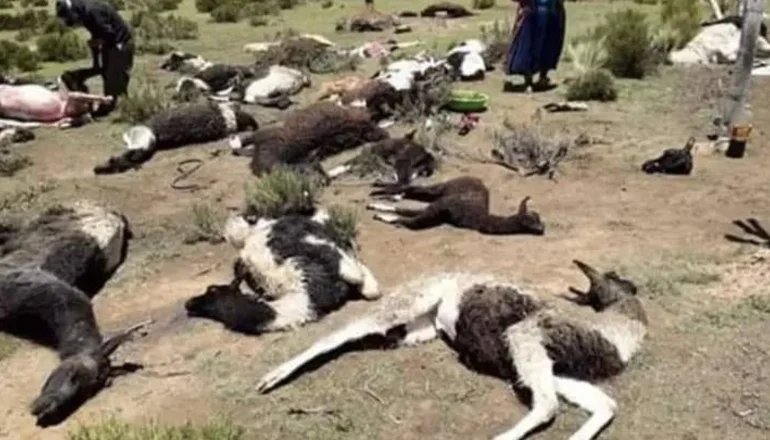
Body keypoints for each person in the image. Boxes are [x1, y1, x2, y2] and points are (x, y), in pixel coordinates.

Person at [54, 0, 134, 117]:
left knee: (114, 76)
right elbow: (98, 32)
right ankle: (117, 105)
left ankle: (113, 106)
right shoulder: (84, 11)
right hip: (111, 44)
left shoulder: (92, 11)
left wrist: (96, 43)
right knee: (109, 75)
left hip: (120, 43)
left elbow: (109, 33)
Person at [504, 0, 566, 93]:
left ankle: (543, 77)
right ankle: (528, 81)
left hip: (552, 9)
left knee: (549, 44)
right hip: (533, 10)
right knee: (528, 45)